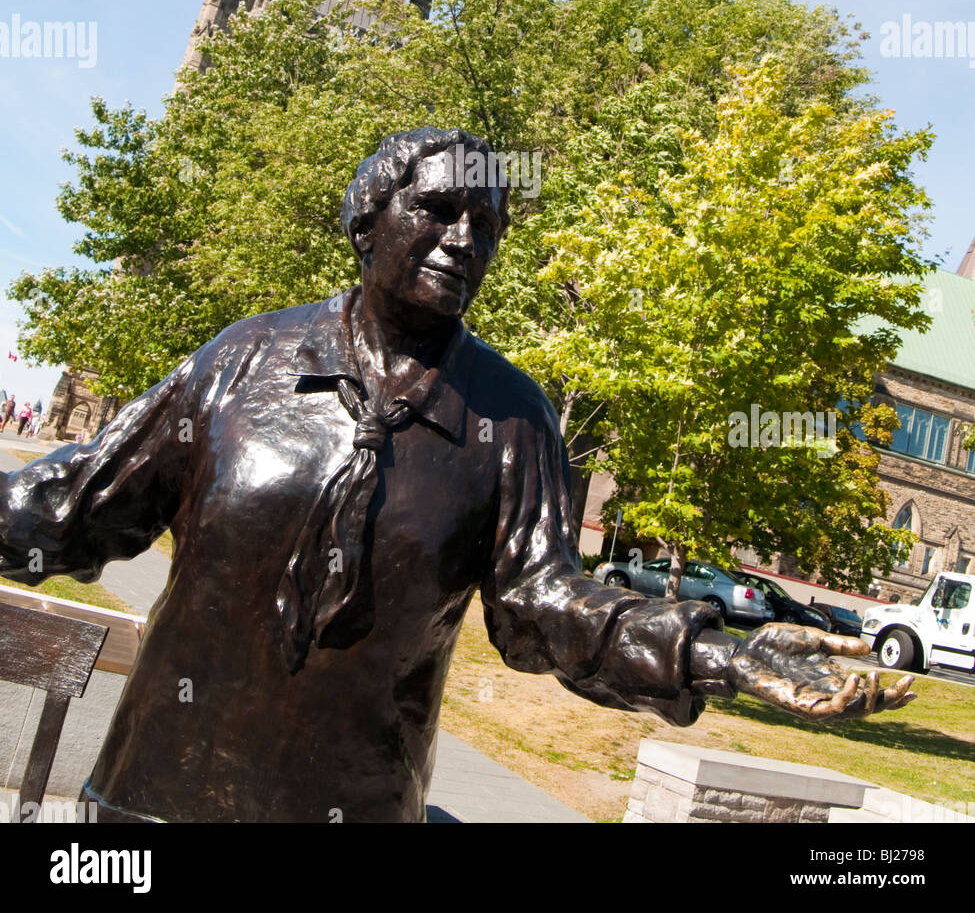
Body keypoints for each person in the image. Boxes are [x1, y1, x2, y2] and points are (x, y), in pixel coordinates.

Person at [0, 128, 913, 824]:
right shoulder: (244, 361)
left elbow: (544, 609)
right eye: (438, 209)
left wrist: (715, 651)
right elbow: (73, 506)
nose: (462, 238)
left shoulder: (512, 420)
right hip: (153, 797)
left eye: (486, 223)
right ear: (368, 218)